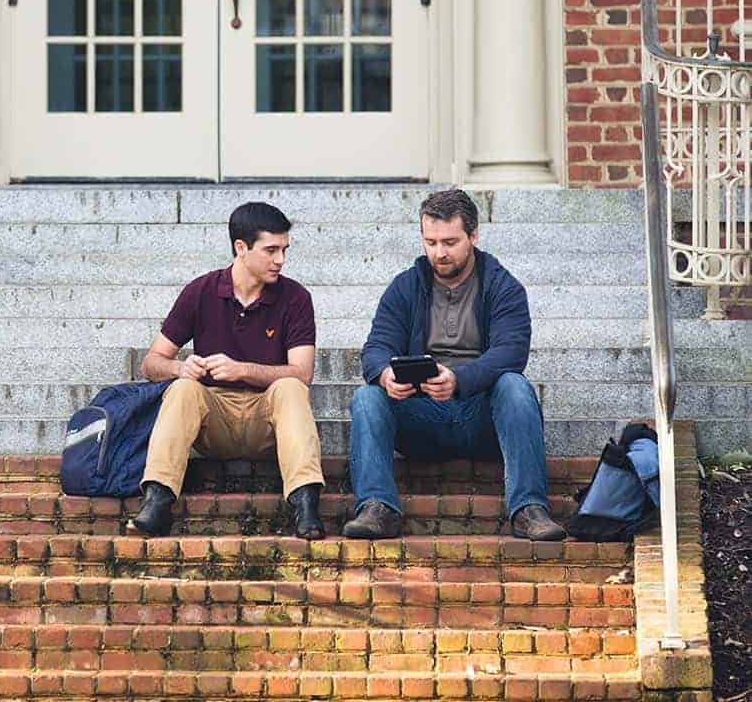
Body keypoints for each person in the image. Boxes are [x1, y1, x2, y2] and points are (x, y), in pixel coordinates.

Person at [344, 188, 566, 541]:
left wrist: (458, 379)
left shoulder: (503, 287)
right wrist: (386, 375)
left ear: (473, 236)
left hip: (483, 419)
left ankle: (528, 510)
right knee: (367, 397)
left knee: (515, 386)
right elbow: (375, 348)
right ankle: (377, 508)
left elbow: (511, 352)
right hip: (422, 418)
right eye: (430, 242)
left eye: (449, 242)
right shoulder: (405, 287)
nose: (439, 252)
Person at [128, 202, 325, 539]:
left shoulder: (295, 297)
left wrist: (242, 370)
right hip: (213, 421)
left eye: (284, 250)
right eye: (271, 250)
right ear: (241, 248)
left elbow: (302, 372)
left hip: (267, 420)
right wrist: (180, 367)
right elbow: (151, 362)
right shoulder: (200, 291)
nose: (281, 260)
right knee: (183, 388)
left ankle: (306, 505)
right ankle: (157, 501)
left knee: (291, 387)